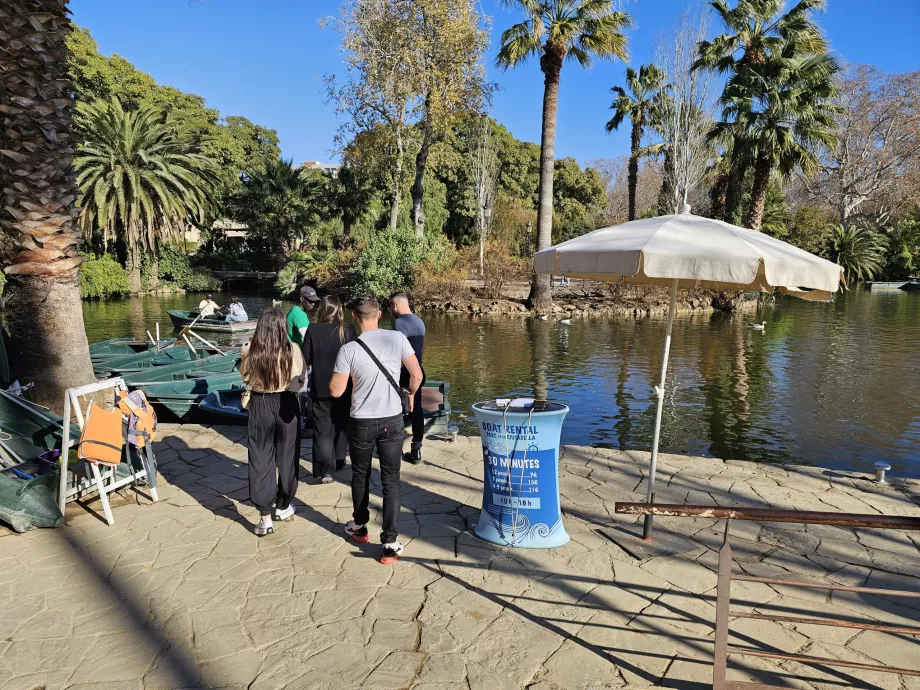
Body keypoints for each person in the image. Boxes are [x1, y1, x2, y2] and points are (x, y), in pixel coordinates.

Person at [330, 296, 422, 564]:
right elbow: (416, 375)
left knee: (360, 475)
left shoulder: (349, 349)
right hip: (392, 419)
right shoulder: (397, 339)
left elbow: (336, 391)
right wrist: (412, 394)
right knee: (391, 480)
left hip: (361, 421)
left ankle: (360, 527)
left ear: (355, 317)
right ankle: (390, 543)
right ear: (379, 314)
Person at [240, 307, 305, 536]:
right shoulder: (293, 350)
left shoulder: (250, 351)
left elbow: (245, 378)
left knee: (260, 457)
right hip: (286, 403)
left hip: (260, 404)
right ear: (281, 327)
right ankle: (284, 503)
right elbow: (300, 382)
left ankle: (265, 517)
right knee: (288, 456)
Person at [302, 294, 355, 482]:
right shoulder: (347, 329)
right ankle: (339, 460)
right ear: (339, 310)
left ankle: (326, 469)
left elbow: (305, 359)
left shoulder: (313, 329)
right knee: (341, 425)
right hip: (344, 388)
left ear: (321, 310)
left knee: (322, 429)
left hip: (320, 388)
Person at [389, 292, 426, 465]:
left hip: (404, 374)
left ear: (396, 305)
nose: (390, 309)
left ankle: (392, 451)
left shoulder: (400, 323)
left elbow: (397, 351)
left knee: (396, 411)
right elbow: (421, 350)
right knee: (416, 410)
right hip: (418, 372)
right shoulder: (419, 321)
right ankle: (416, 449)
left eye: (390, 305)